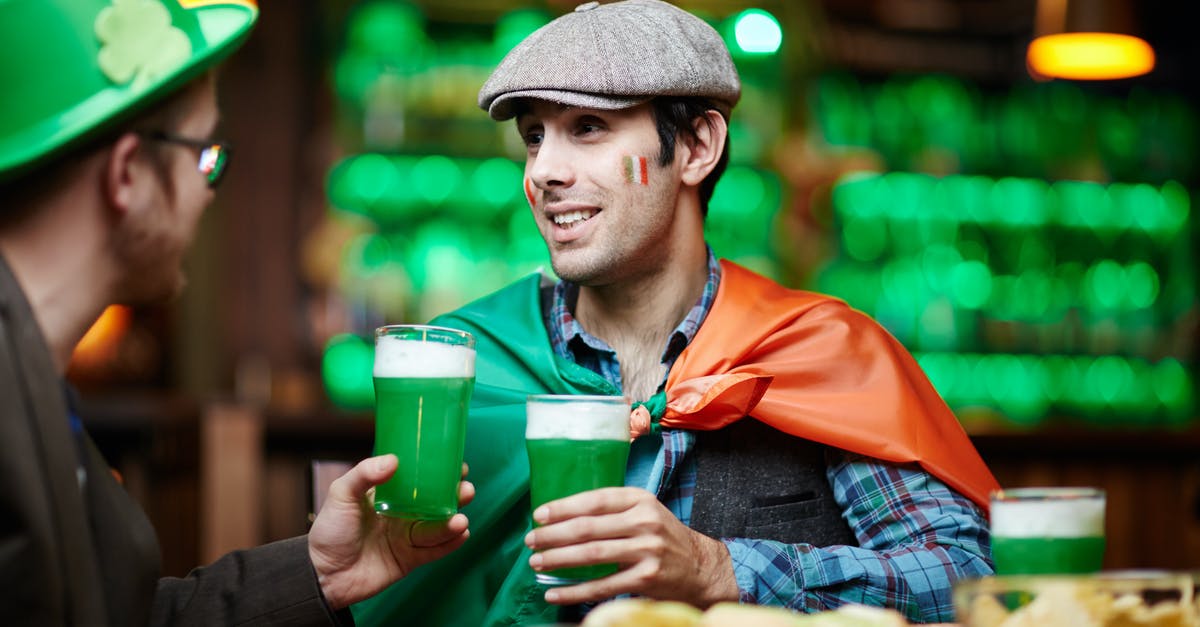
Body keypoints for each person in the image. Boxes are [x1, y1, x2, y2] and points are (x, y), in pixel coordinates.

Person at [352, 1, 999, 625]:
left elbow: (970, 580)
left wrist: (720, 568)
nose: (544, 170)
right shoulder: (468, 362)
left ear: (696, 147)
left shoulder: (816, 349)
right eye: (533, 138)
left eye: (587, 128)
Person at [0, 1, 472, 624]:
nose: (208, 190)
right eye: (207, 156)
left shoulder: (34, 381)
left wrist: (316, 574)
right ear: (126, 174)